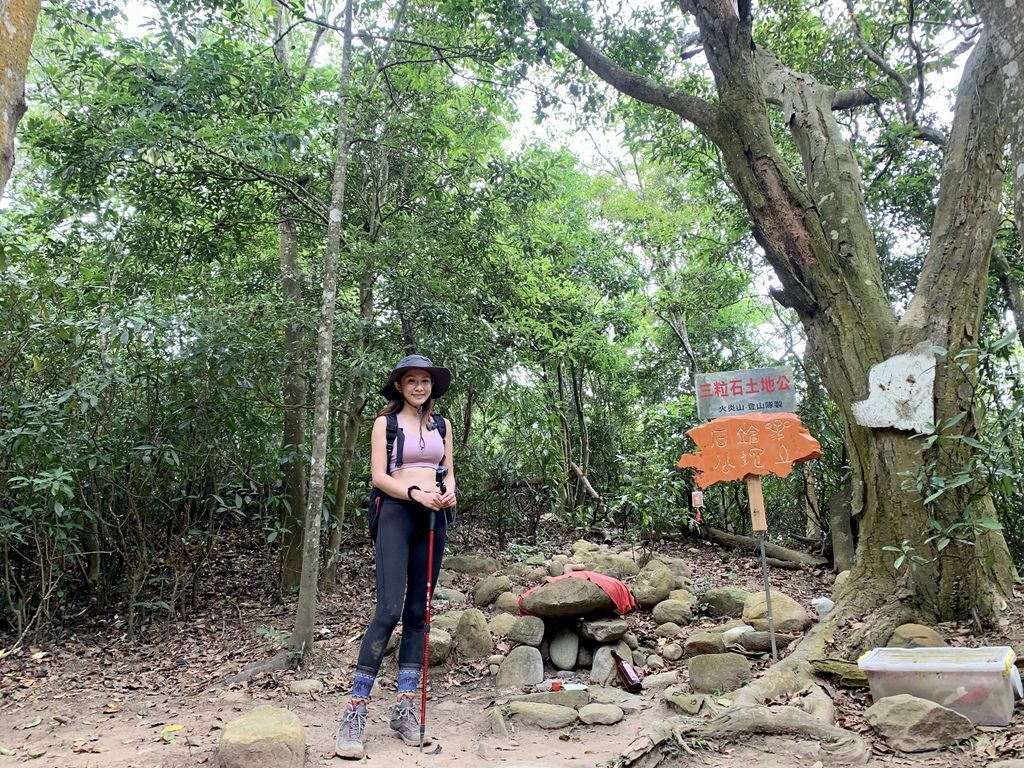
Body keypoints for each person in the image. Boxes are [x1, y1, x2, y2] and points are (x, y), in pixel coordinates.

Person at [335, 354, 456, 759]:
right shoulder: (384, 424)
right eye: (412, 382)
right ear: (400, 387)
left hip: (434, 518)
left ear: (431, 388)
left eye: (425, 381)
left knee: (419, 614)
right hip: (397, 513)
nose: (419, 387)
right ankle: (355, 712)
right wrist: (415, 494)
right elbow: (379, 477)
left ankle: (405, 709)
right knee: (388, 610)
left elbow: (447, 470)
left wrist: (449, 491)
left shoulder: (442, 425)